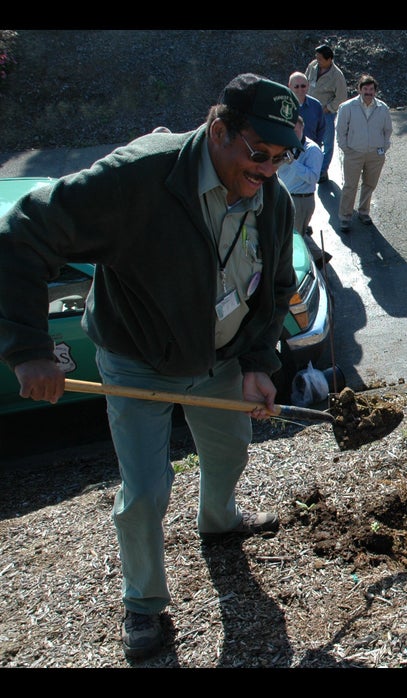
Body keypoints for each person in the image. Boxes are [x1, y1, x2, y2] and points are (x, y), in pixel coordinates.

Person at [0, 73, 303, 660]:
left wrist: (257, 362)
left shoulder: (272, 196)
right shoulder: (139, 177)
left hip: (219, 357)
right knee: (144, 491)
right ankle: (142, 606)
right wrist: (30, 351)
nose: (268, 169)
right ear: (219, 130)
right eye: (258, 153)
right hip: (138, 360)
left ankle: (220, 521)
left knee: (231, 451)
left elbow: (275, 287)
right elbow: (20, 235)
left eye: (281, 156)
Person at [335, 74, 392, 233]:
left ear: (375, 91)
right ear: (359, 89)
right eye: (365, 88)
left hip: (375, 154)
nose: (368, 92)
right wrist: (346, 148)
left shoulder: (382, 108)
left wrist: (383, 148)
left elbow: (388, 131)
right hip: (354, 153)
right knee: (350, 186)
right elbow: (340, 131)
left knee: (369, 185)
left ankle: (363, 212)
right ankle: (345, 217)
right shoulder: (347, 107)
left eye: (371, 89)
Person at [305, 44, 348, 185]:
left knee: (327, 143)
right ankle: (310, 166)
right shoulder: (312, 66)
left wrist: (328, 108)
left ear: (329, 59)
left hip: (326, 114)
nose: (317, 61)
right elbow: (306, 81)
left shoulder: (337, 76)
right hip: (309, 110)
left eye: (320, 59)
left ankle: (322, 171)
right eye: (316, 58)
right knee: (310, 140)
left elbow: (341, 97)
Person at [278, 116, 323, 236]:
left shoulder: (312, 150)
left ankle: (317, 254)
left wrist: (293, 163)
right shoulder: (284, 145)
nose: (291, 135)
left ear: (302, 128)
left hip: (301, 200)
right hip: (284, 196)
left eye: (295, 131)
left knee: (295, 238)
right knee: (285, 235)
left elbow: (313, 178)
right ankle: (318, 254)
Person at [288, 71, 325, 154]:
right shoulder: (283, 105)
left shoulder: (316, 105)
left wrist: (317, 146)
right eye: (296, 86)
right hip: (288, 151)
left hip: (309, 150)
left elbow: (321, 128)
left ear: (308, 86)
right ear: (289, 86)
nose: (300, 89)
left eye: (303, 86)